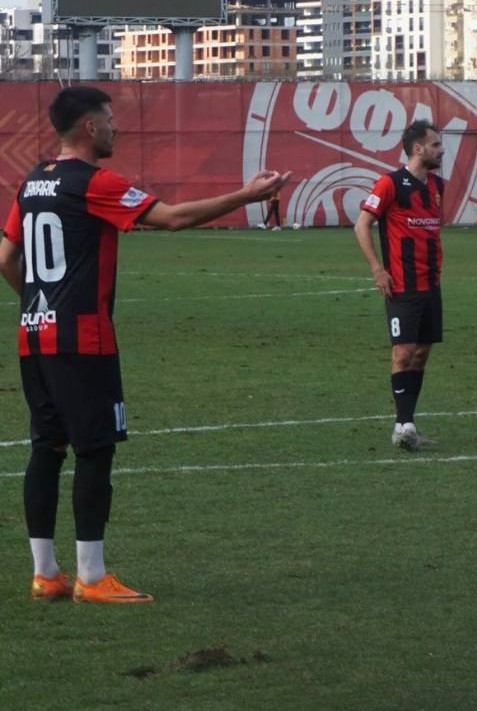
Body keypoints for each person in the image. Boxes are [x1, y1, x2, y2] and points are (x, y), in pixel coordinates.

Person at [0, 86, 289, 603]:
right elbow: (173, 217)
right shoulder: (95, 182)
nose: (117, 127)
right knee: (95, 450)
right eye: (109, 120)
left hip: (33, 337)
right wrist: (247, 196)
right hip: (83, 342)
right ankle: (92, 578)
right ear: (89, 127)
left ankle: (45, 575)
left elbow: (5, 257)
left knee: (47, 449)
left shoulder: (32, 182)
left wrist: (39, 305)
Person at [355, 120, 446, 450]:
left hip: (431, 284)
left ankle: (407, 425)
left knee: (421, 355)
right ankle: (403, 425)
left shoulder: (437, 185)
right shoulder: (389, 184)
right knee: (403, 353)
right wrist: (377, 269)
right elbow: (362, 225)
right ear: (418, 149)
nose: (441, 150)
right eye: (435, 145)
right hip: (402, 285)